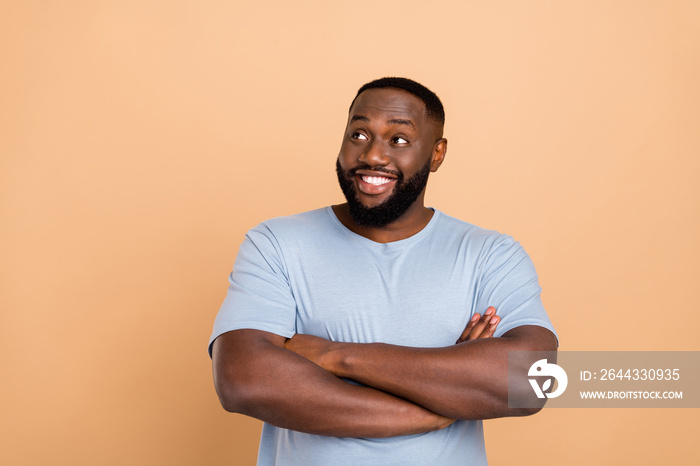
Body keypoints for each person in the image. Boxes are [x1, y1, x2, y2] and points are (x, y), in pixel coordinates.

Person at [208, 77, 558, 465]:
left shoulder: (490, 254)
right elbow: (244, 381)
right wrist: (440, 401)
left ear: (437, 154)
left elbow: (532, 379)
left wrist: (333, 355)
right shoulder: (276, 243)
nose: (373, 156)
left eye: (399, 140)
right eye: (358, 134)